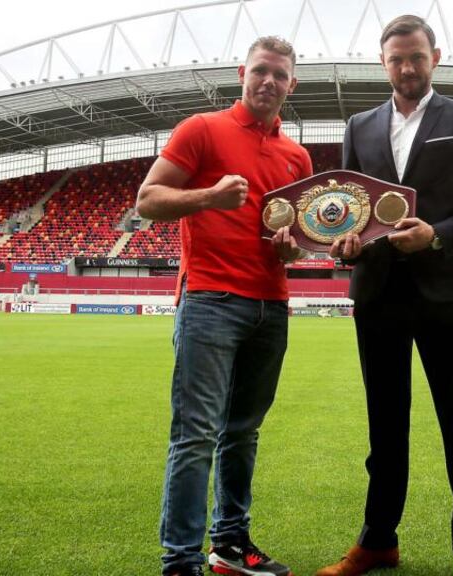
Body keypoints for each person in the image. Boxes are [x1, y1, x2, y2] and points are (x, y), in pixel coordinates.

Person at [316, 14, 453, 576]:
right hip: (376, 292)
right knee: (385, 425)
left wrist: (438, 235)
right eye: (397, 58)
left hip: (443, 290)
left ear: (435, 57)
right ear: (383, 62)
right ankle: (378, 541)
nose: (406, 67)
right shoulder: (360, 125)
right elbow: (348, 211)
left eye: (416, 57)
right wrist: (343, 245)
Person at [136, 36, 310, 576]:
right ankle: (180, 561)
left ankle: (230, 546)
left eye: (279, 75)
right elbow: (147, 200)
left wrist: (293, 248)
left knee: (243, 432)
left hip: (271, 305)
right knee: (196, 435)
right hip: (210, 300)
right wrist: (207, 196)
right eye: (260, 71)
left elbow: (298, 239)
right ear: (241, 73)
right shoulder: (201, 129)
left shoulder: (297, 155)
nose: (268, 82)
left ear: (291, 84)